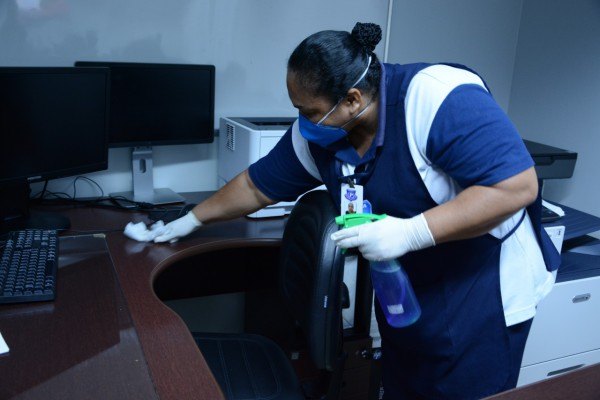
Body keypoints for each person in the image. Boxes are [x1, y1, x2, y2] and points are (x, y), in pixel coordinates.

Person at [153, 22, 560, 399]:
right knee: (402, 383)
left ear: (352, 99)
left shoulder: (436, 98)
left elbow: (515, 186)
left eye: (310, 111)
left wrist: (409, 233)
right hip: (410, 288)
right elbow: (255, 186)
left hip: (481, 292)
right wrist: (190, 218)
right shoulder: (323, 133)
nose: (303, 121)